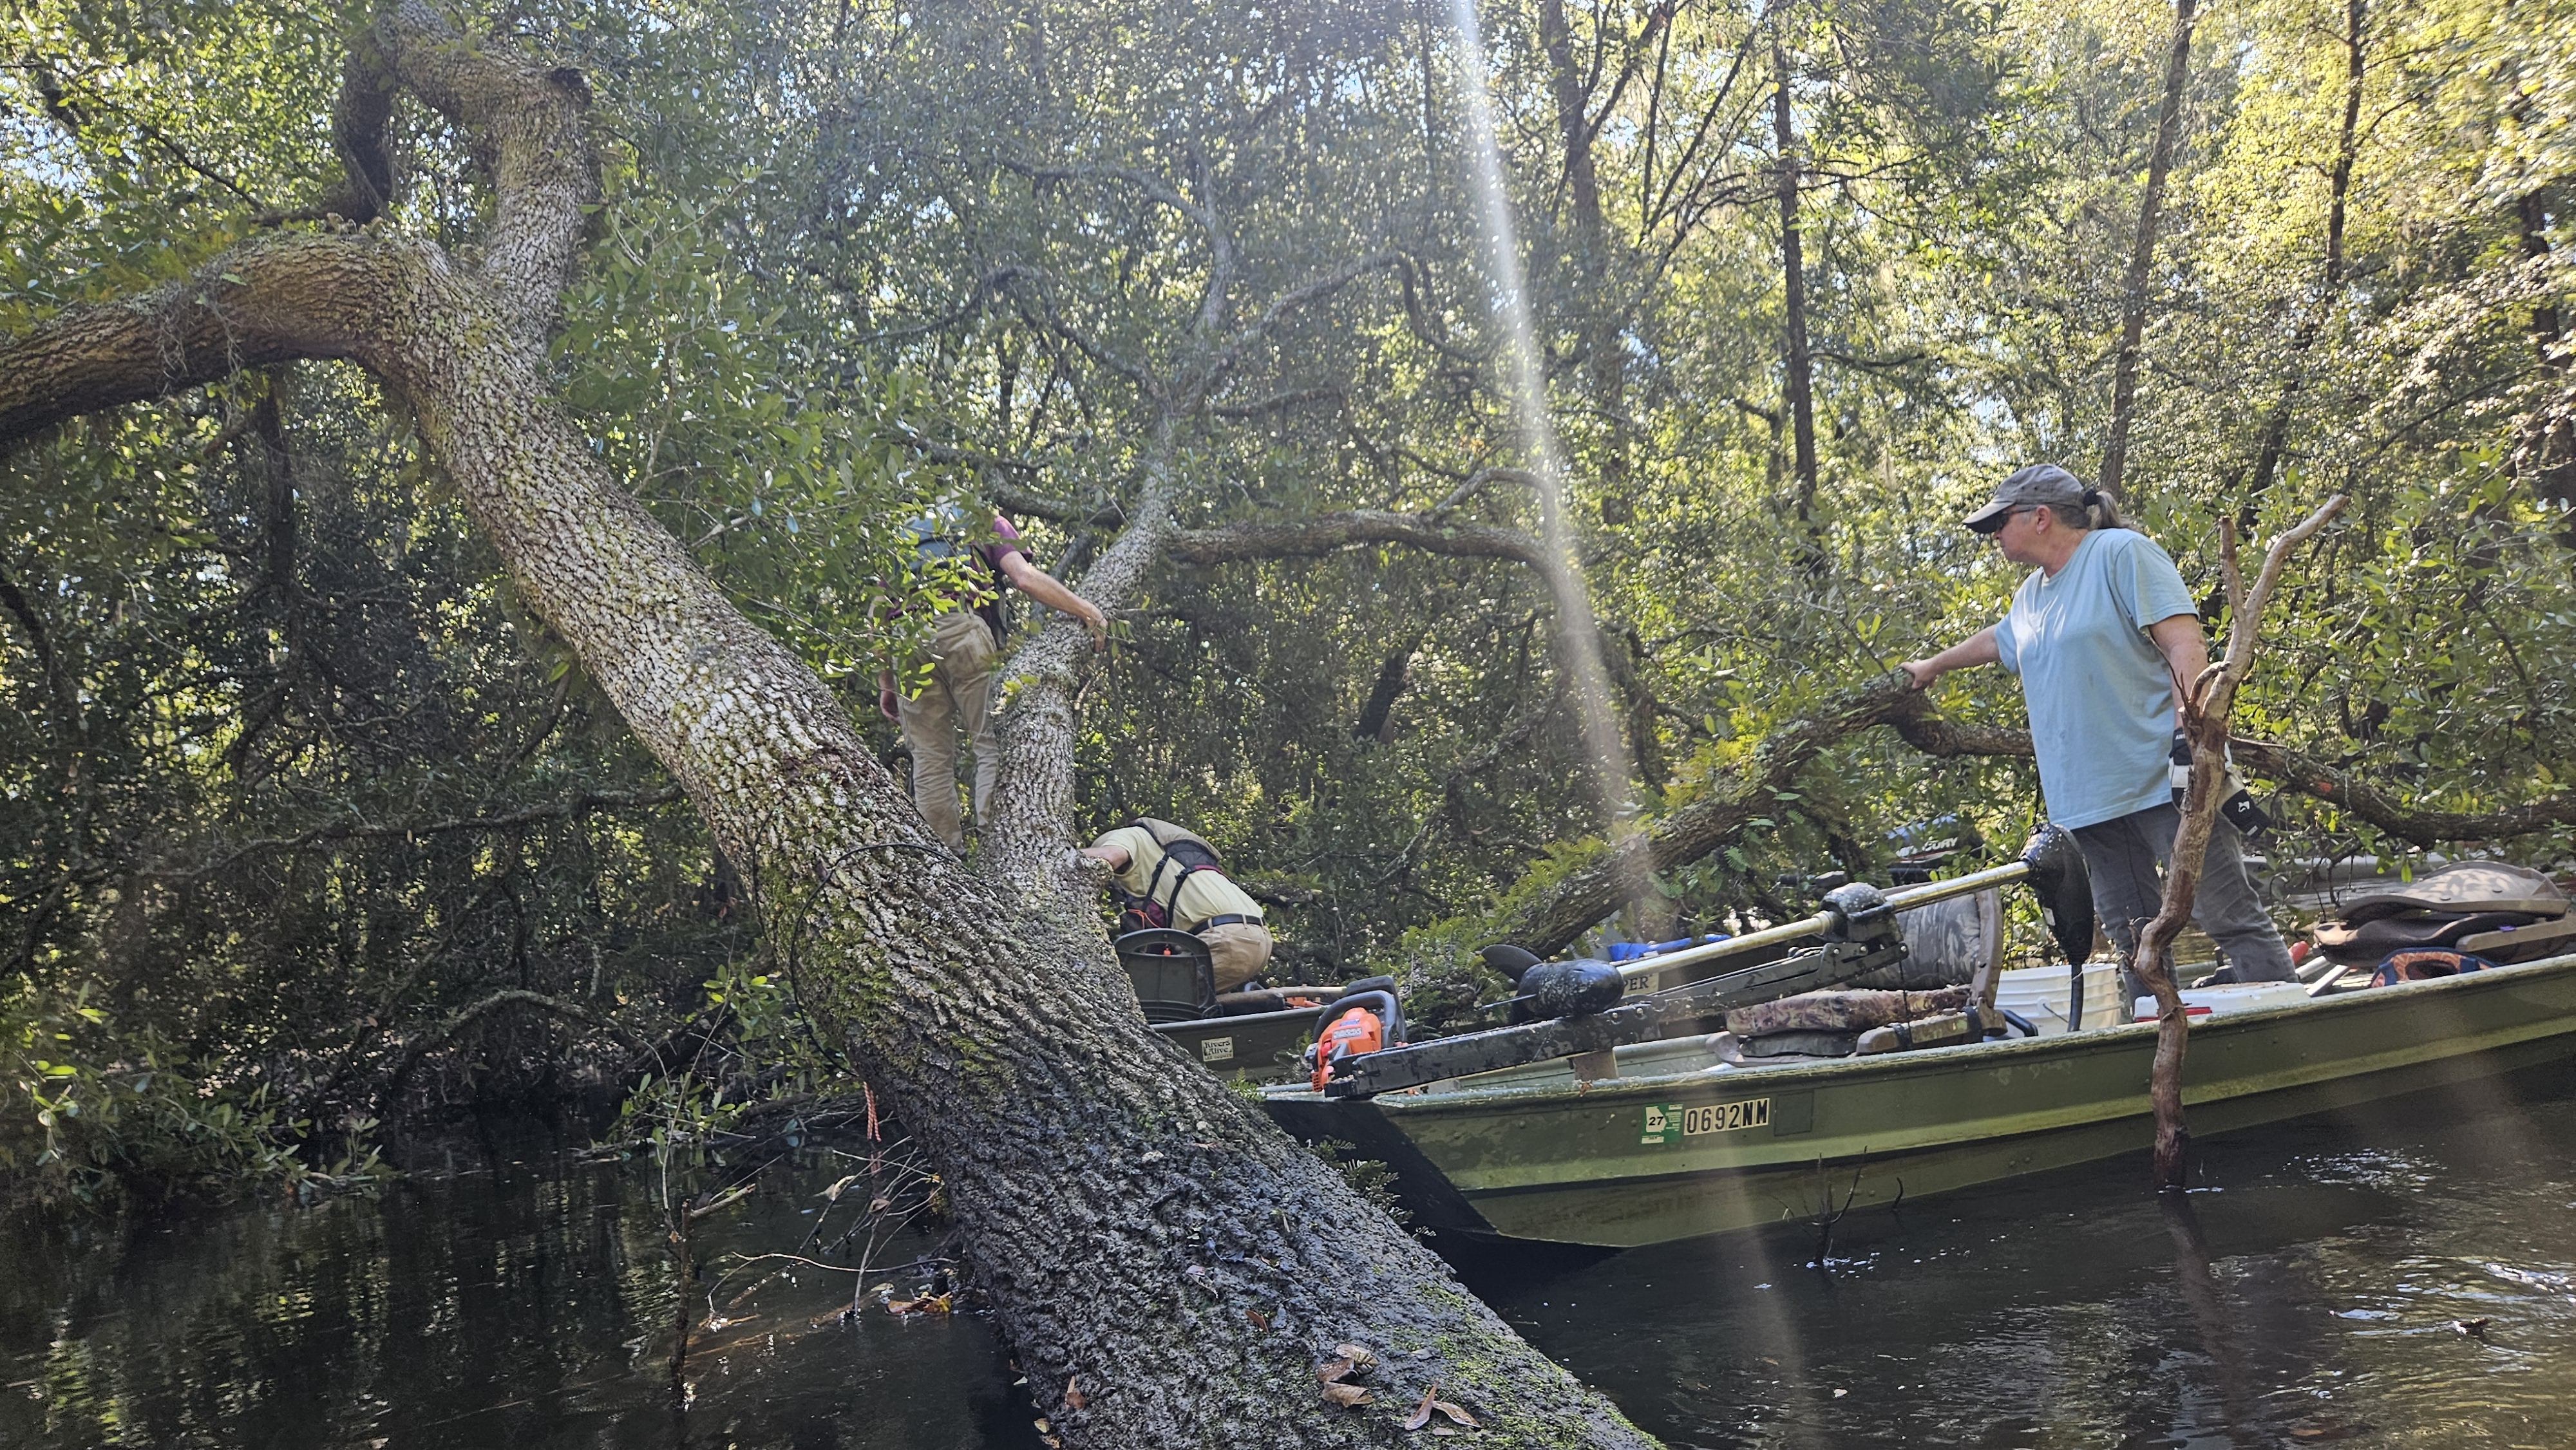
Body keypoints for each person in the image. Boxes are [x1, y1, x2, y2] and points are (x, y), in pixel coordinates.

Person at [1899, 464, 2295, 986]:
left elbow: (2183, 643)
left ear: (2040, 517)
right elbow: (1998, 640)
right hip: (2088, 801)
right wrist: (1931, 667)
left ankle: (2293, 1028)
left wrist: (2190, 739)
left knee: (2228, 917)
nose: (1993, 534)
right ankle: (2156, 1044)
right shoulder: (2031, 596)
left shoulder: (2121, 554)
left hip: (2164, 781)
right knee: (2133, 938)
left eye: (2000, 522)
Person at [878, 505, 1106, 849]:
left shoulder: (903, 536)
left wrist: (886, 684)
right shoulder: (982, 519)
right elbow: (1023, 577)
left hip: (907, 643)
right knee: (989, 741)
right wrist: (1087, 610)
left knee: (929, 758)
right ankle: (995, 841)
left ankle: (944, 860)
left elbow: (877, 618)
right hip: (960, 627)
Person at [1081, 818, 1273, 992]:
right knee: (1198, 1008)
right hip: (1258, 938)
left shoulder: (1130, 835)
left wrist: (1060, 857)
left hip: (1223, 938)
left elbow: (1108, 856)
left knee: (1153, 1001)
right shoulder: (1173, 862)